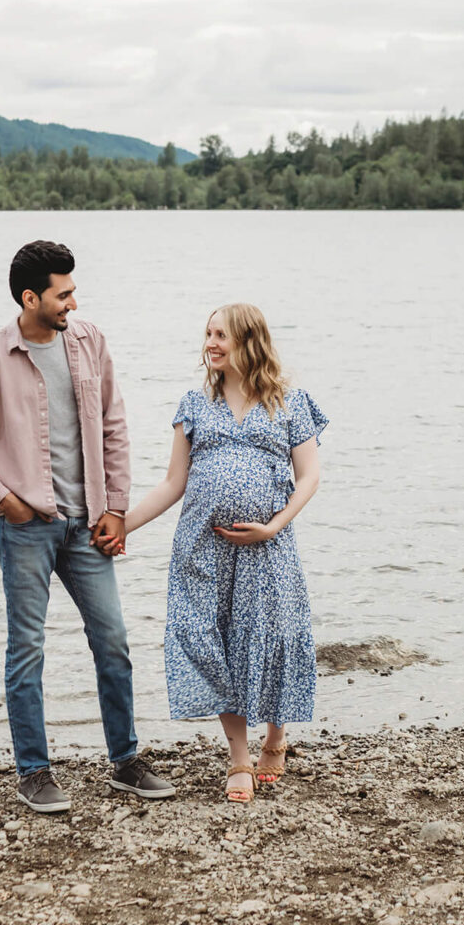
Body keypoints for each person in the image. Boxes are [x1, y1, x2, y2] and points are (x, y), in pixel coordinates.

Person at [0, 240, 175, 812]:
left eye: (73, 291)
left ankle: (125, 761)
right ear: (30, 298)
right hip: (26, 528)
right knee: (27, 649)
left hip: (88, 525)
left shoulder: (91, 342)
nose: (74, 302)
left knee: (113, 641)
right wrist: (2, 500)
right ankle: (34, 772)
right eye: (63, 294)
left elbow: (113, 425)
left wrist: (116, 507)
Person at [121, 303, 326, 803]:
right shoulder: (194, 404)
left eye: (221, 335)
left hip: (268, 549)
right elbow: (173, 483)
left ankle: (275, 737)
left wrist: (272, 526)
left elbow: (309, 477)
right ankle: (238, 758)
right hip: (203, 549)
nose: (210, 343)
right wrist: (120, 526)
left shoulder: (290, 403)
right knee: (212, 645)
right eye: (208, 334)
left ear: (248, 341)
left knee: (273, 638)